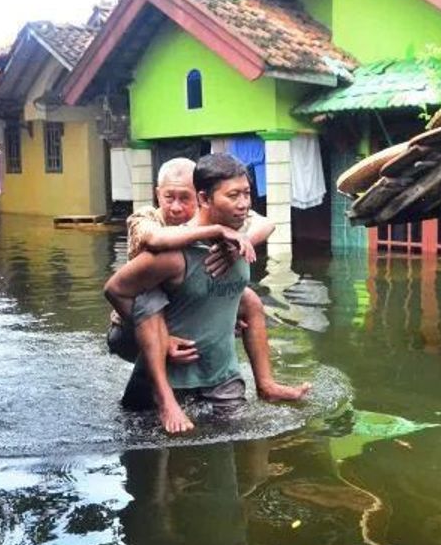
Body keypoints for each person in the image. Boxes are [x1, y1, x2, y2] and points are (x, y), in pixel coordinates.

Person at [105, 153, 309, 434]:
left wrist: (239, 244)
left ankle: (266, 384)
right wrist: (217, 231)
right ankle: (165, 398)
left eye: (246, 194)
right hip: (130, 324)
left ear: (196, 197)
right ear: (205, 199)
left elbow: (266, 223)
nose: (176, 207)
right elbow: (125, 277)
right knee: (149, 301)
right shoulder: (155, 228)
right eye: (169, 197)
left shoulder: (236, 229)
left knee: (248, 297)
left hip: (214, 359)